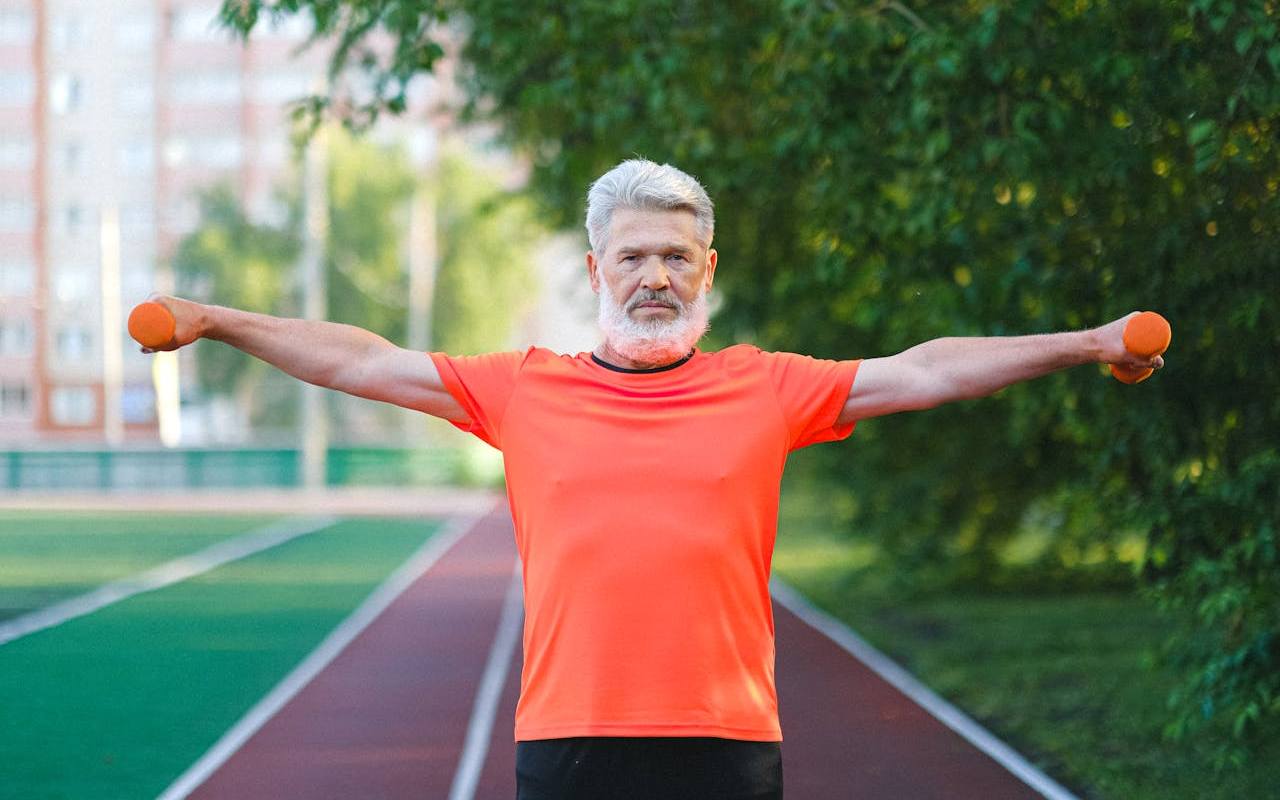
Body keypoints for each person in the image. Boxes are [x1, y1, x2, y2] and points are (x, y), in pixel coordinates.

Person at [142, 159, 1163, 799]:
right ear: (596, 270)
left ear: (706, 268)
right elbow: (360, 359)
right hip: (569, 737)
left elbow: (928, 368)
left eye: (675, 255)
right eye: (631, 255)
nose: (654, 277)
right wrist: (221, 320)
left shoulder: (767, 386)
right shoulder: (521, 389)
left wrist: (1087, 341)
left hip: (722, 739)